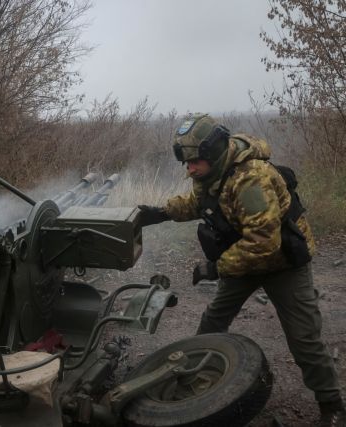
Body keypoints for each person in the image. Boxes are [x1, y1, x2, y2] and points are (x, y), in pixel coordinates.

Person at [138, 114, 344, 426]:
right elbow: (197, 202)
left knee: (304, 339)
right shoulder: (210, 172)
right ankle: (193, 380)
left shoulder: (251, 178)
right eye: (187, 163)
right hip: (244, 260)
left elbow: (263, 242)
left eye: (194, 162)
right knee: (212, 323)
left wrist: (215, 267)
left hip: (283, 264)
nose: (189, 169)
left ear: (213, 153)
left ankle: (332, 406)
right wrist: (161, 213)